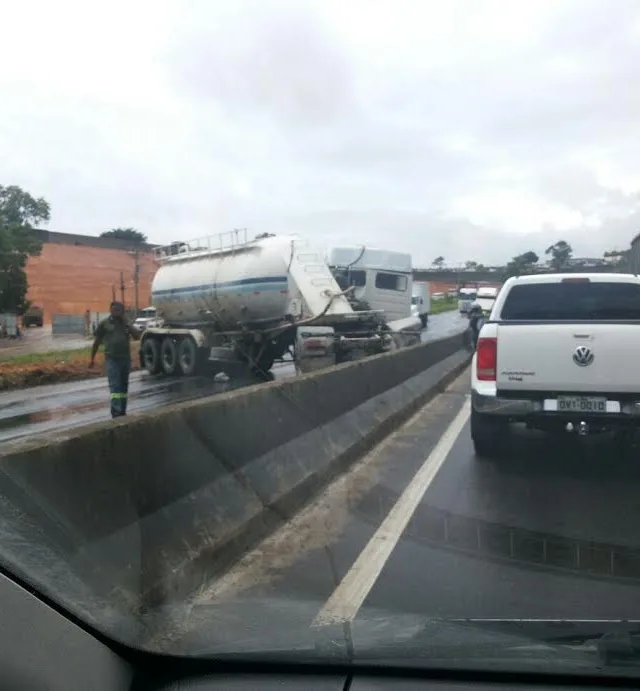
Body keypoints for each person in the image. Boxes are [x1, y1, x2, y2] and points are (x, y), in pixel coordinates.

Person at [90, 302, 140, 418]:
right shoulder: (105, 324)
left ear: (122, 311)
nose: (116, 312)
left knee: (123, 387)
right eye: (114, 310)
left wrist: (127, 324)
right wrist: (92, 359)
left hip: (125, 360)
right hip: (112, 360)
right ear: (110, 310)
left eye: (118, 310)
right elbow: (97, 342)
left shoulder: (125, 324)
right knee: (115, 387)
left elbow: (137, 336)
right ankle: (116, 412)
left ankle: (122, 411)